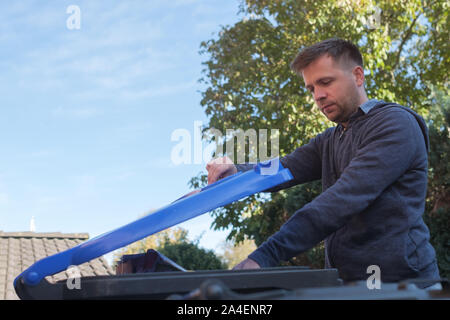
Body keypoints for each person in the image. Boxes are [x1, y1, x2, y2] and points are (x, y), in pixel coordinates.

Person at [206, 38, 441, 289]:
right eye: (311, 89)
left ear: (358, 76)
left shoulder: (394, 124)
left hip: (406, 287)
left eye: (325, 82)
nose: (318, 96)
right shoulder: (331, 139)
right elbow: (281, 169)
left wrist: (265, 256)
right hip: (349, 287)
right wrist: (235, 173)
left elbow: (341, 200)